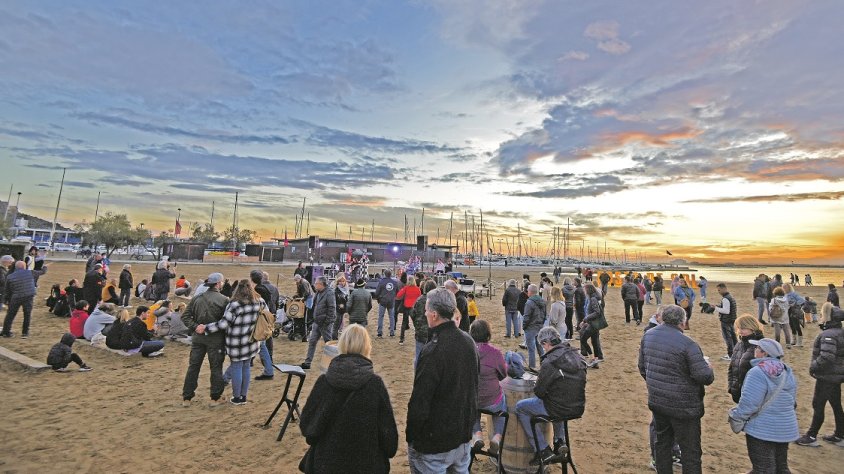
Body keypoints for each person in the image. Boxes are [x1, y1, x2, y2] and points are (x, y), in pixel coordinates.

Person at [298, 324, 398, 473]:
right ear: (367, 347)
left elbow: (308, 427)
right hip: (366, 465)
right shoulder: (375, 385)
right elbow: (390, 442)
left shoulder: (324, 382)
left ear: (341, 345)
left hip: (326, 464)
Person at [406, 287, 478, 473]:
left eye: (426, 310)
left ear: (434, 315)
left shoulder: (433, 351)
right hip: (461, 434)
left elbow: (421, 399)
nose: (425, 313)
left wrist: (412, 436)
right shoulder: (468, 341)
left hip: (436, 442)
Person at [638, 305, 714, 474]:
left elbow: (643, 368)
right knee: (690, 451)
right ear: (682, 322)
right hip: (684, 407)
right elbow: (705, 377)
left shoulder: (649, 336)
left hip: (658, 401)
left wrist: (657, 385)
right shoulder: (688, 344)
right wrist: (708, 367)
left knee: (662, 444)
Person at [515, 326, 587, 466]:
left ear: (546, 343)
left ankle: (542, 450)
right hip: (577, 407)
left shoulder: (549, 362)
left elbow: (539, 392)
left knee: (520, 408)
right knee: (557, 398)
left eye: (542, 346)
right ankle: (559, 441)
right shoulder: (576, 355)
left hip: (558, 408)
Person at [729, 338, 798, 473]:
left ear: (764, 353)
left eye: (757, 348)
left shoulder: (757, 372)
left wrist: (736, 416)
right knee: (781, 467)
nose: (755, 350)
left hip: (762, 428)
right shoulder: (786, 371)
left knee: (763, 468)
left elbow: (750, 403)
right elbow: (792, 400)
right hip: (785, 427)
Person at [197, 279, 264, 405]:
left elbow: (223, 324)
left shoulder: (235, 305)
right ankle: (243, 396)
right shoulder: (260, 301)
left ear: (237, 289)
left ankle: (237, 397)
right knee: (246, 367)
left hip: (236, 343)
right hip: (252, 341)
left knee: (237, 367)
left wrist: (206, 328)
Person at [796, 302, 844, 447]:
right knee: (836, 405)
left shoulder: (828, 335)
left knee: (818, 404)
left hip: (827, 376)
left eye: (823, 315)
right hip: (835, 376)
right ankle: (840, 434)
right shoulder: (839, 332)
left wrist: (813, 367)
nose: (821, 317)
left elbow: (827, 357)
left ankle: (811, 435)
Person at [181, 272, 229, 407]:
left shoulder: (197, 298)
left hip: (198, 339)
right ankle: (215, 397)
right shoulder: (224, 300)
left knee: (193, 367)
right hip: (215, 340)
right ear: (218, 284)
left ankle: (187, 397)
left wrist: (195, 327)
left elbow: (185, 316)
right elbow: (225, 322)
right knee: (216, 367)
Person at [469, 319, 507, 454]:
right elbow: (503, 374)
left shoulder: (467, 352)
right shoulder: (495, 353)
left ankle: (477, 434)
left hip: (473, 399)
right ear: (488, 334)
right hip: (492, 401)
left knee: (472, 408)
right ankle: (497, 436)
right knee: (502, 405)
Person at [2, 260, 46, 338]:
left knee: (10, 315)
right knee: (27, 314)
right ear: (24, 267)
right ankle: (25, 333)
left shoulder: (10, 276)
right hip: (28, 296)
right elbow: (42, 272)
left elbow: (7, 290)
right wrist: (45, 267)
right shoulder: (30, 272)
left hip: (16, 297)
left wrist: (6, 300)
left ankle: (6, 332)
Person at [301, 276, 336, 370]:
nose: (314, 285)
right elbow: (315, 306)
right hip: (316, 322)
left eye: (316, 283)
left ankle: (334, 364)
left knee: (329, 344)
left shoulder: (329, 293)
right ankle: (307, 363)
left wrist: (327, 322)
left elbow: (332, 308)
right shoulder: (318, 292)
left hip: (325, 324)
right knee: (312, 342)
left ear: (321, 284)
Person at [728, 316, 765, 403]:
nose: (740, 331)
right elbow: (731, 368)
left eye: (743, 328)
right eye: (739, 328)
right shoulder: (739, 344)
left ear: (752, 327)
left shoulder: (761, 346)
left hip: (755, 395)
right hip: (738, 393)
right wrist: (731, 387)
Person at [250, 270, 276, 381]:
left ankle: (269, 371)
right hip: (266, 319)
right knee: (263, 346)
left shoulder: (258, 290)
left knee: (260, 346)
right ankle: (269, 370)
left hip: (259, 322)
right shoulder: (266, 288)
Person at [410, 280, 437, 367]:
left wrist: (417, 325)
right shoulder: (436, 301)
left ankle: (418, 374)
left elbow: (412, 314)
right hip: (434, 333)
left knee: (419, 356)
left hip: (421, 332)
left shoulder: (419, 300)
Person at [580, 283, 607, 366]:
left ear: (588, 290)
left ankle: (592, 358)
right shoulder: (594, 297)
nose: (584, 291)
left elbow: (597, 312)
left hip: (593, 324)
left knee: (583, 339)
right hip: (593, 323)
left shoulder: (593, 299)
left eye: (585, 289)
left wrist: (585, 319)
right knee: (594, 341)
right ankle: (595, 360)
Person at [522, 284, 546, 369]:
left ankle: (532, 367)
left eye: (528, 291)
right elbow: (544, 314)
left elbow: (526, 316)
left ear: (530, 292)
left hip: (531, 328)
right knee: (540, 348)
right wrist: (541, 324)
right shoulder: (542, 301)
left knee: (531, 349)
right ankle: (544, 365)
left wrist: (524, 326)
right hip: (539, 327)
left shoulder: (529, 303)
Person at [712, 283, 738, 360]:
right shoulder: (730, 297)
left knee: (728, 338)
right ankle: (736, 353)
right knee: (733, 337)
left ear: (724, 289)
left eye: (719, 290)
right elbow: (728, 308)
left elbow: (726, 311)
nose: (718, 292)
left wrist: (716, 308)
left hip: (726, 320)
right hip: (732, 320)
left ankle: (730, 355)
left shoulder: (726, 299)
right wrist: (717, 306)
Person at [374, 270, 398, 338]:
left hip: (383, 301)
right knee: (391, 317)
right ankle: (392, 333)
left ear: (384, 274)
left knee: (381, 317)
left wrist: (379, 298)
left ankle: (379, 333)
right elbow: (397, 292)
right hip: (391, 301)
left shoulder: (381, 282)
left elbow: (377, 293)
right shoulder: (394, 282)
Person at [397, 276, 421, 344]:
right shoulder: (417, 289)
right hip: (413, 308)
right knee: (415, 323)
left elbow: (398, 295)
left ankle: (401, 339)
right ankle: (418, 337)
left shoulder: (406, 288)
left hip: (406, 307)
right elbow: (420, 297)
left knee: (404, 323)